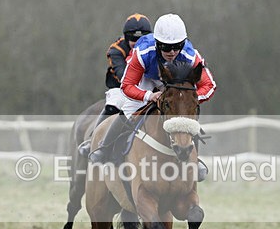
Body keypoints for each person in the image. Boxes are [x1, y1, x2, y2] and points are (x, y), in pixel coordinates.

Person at [88, 13, 216, 178]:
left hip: (173, 82)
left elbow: (209, 85)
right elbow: (127, 86)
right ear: (157, 44)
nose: (172, 52)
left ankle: (194, 160)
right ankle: (104, 148)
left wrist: (189, 100)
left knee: (185, 114)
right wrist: (149, 96)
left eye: (177, 46)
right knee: (128, 109)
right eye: (166, 47)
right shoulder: (143, 53)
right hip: (146, 77)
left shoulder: (191, 56)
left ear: (183, 43)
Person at [78, 13, 153, 158]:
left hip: (149, 85)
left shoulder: (154, 47)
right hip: (122, 87)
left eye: (141, 39)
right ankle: (92, 140)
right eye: (133, 39)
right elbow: (123, 75)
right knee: (114, 103)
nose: (137, 43)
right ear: (126, 37)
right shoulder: (116, 50)